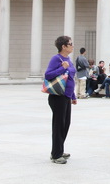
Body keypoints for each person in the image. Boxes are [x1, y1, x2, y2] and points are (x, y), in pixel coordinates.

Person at [44, 36, 77, 164]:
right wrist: (62, 68)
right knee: (58, 125)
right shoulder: (56, 59)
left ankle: (59, 149)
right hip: (57, 97)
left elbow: (70, 79)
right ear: (63, 46)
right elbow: (48, 75)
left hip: (66, 97)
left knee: (65, 124)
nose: (72, 46)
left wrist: (73, 96)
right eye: (70, 44)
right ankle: (56, 154)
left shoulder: (68, 59)